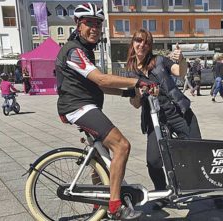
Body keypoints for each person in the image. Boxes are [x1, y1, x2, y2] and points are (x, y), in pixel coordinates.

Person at [55, 3, 155, 220]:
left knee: (102, 158)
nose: (94, 28)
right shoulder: (74, 51)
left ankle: (97, 206)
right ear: (77, 25)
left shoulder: (84, 50)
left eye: (98, 24)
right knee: (122, 146)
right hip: (78, 107)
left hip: (82, 105)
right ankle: (115, 206)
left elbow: (98, 86)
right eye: (89, 23)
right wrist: (138, 80)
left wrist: (128, 93)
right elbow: (101, 78)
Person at [124, 29, 218, 210]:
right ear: (133, 43)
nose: (142, 44)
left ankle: (213, 189)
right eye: (138, 40)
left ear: (150, 45)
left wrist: (181, 58)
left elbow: (179, 72)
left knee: (199, 151)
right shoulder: (130, 72)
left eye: (146, 42)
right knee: (153, 161)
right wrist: (139, 92)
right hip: (155, 120)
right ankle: (162, 193)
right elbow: (135, 104)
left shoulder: (159, 60)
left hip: (179, 112)